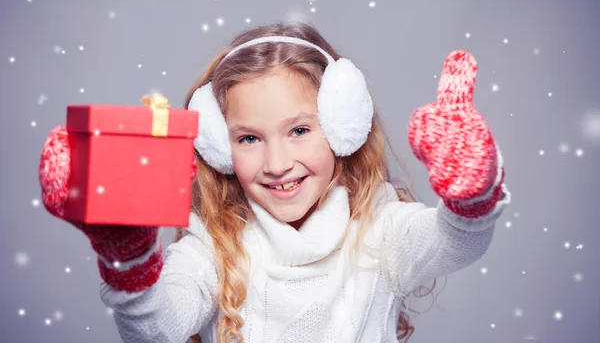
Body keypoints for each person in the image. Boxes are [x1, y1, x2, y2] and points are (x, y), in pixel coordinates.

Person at [38, 22, 510, 343]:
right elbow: (159, 328)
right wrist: (129, 256)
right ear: (218, 147)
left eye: (300, 131)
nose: (277, 163)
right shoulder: (214, 245)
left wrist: (474, 192)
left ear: (343, 126)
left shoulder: (379, 228)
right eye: (248, 138)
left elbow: (455, 243)